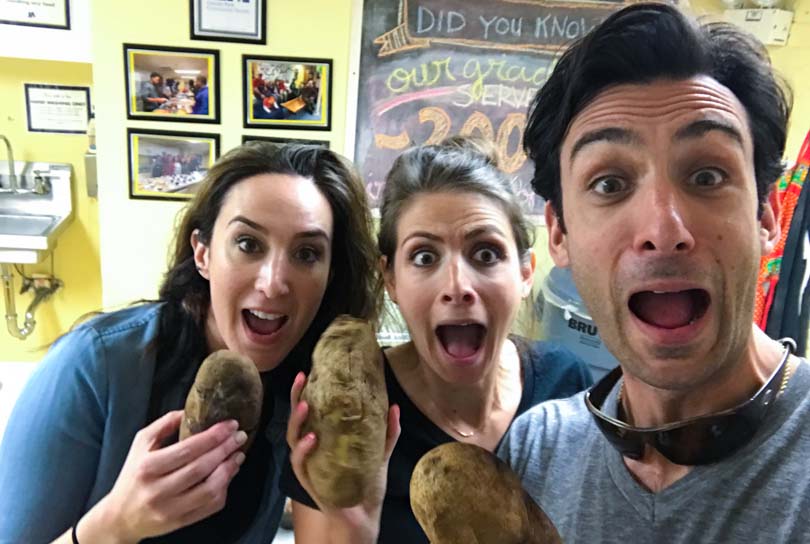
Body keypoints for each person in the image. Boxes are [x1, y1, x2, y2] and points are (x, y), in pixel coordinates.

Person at [498, 3, 810, 542]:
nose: (664, 229)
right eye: (610, 184)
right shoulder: (535, 454)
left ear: (766, 216)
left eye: (707, 175)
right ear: (559, 234)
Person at [0, 142, 380, 543]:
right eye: (248, 244)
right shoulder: (95, 364)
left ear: (330, 274)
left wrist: (353, 520)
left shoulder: (305, 393)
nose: (273, 283)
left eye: (306, 253)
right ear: (203, 253)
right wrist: (115, 525)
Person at [284, 136, 594, 543]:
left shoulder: (567, 387)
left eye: (485, 254)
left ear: (524, 273)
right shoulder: (349, 416)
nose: (458, 286)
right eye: (425, 257)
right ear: (390, 278)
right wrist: (351, 529)